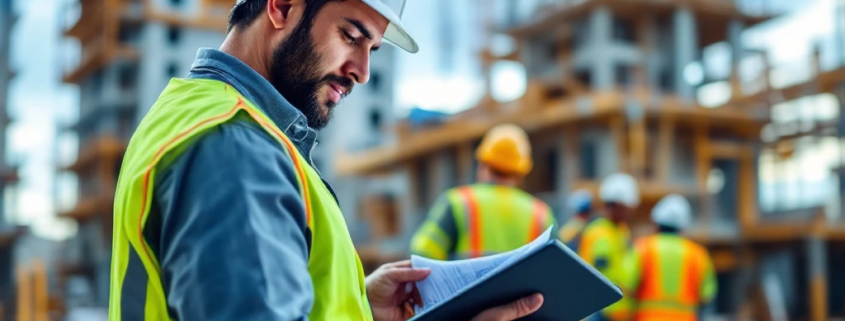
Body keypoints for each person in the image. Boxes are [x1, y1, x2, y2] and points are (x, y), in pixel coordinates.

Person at [107, 1, 544, 320]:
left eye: (372, 49)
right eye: (351, 36)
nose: (362, 70)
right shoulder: (235, 147)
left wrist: (354, 303)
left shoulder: (194, 111)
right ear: (281, 7)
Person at [410, 124, 556, 260]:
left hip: (468, 288)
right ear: (521, 173)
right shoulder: (541, 213)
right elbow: (556, 265)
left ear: (482, 164)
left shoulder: (459, 201)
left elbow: (423, 253)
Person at [621, 194, 717, 321]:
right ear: (683, 226)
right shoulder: (698, 254)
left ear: (656, 222)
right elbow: (707, 295)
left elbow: (626, 285)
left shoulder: (642, 248)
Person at [573, 173, 639, 321]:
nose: (630, 211)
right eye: (627, 207)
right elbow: (601, 274)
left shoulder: (621, 230)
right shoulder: (600, 232)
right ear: (616, 206)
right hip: (601, 310)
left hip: (616, 310)